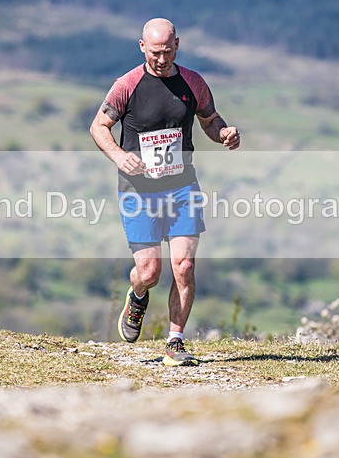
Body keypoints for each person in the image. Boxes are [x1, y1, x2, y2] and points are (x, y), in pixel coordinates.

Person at [90, 18, 240, 366]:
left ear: (178, 45)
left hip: (181, 186)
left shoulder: (193, 82)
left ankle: (175, 341)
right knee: (149, 272)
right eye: (156, 52)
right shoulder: (127, 85)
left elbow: (209, 120)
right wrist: (118, 156)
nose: (162, 59)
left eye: (168, 51)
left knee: (184, 266)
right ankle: (138, 297)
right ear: (142, 47)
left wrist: (225, 133)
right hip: (138, 190)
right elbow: (99, 126)